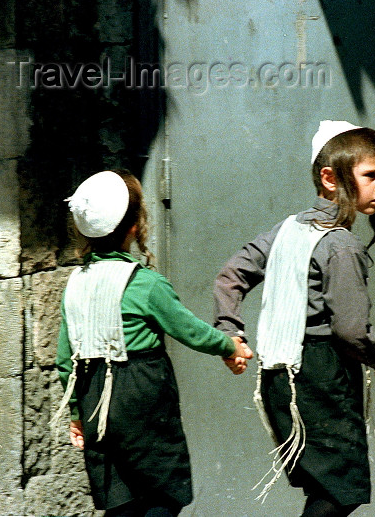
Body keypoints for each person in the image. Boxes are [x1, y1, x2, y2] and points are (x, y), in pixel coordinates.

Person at [215, 121, 375, 517]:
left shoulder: (286, 229)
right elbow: (352, 330)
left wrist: (229, 330)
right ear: (329, 178)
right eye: (371, 175)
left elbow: (230, 276)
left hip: (280, 376)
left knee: (324, 485)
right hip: (322, 377)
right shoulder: (340, 244)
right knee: (342, 489)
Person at [53, 170, 252, 517]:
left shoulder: (74, 283)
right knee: (163, 494)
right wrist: (229, 346)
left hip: (91, 395)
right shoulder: (144, 283)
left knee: (120, 499)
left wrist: (75, 414)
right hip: (139, 392)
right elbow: (189, 329)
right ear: (133, 226)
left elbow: (63, 359)